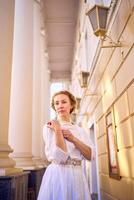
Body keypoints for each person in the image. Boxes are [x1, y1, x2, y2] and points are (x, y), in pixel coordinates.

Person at [37, 90, 94, 200]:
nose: (60, 106)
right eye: (56, 103)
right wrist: (58, 129)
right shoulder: (49, 127)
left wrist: (73, 139)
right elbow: (60, 157)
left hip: (78, 175)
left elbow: (90, 155)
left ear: (71, 105)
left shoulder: (80, 130)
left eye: (63, 102)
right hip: (58, 174)